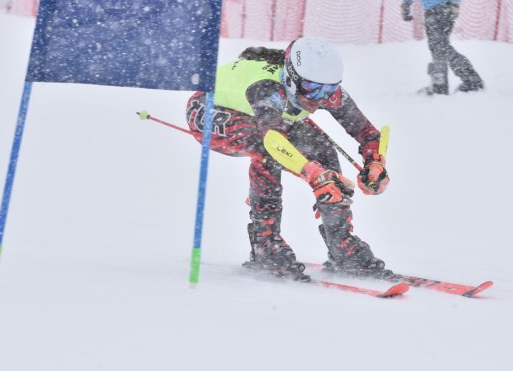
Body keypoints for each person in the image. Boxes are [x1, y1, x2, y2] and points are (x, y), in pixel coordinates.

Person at [185, 37, 390, 280]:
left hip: (264, 120)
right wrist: (315, 176)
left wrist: (375, 162)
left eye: (329, 90)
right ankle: (265, 242)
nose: (320, 100)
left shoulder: (320, 91)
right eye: (314, 90)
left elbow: (367, 132)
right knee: (263, 149)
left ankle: (341, 244)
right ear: (292, 79)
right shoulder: (267, 89)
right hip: (207, 111)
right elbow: (273, 140)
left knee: (322, 149)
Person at [401, 0, 484, 94]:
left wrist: (406, 5)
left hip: (440, 10)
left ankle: (470, 80)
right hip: (440, 10)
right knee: (439, 48)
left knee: (439, 47)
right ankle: (441, 85)